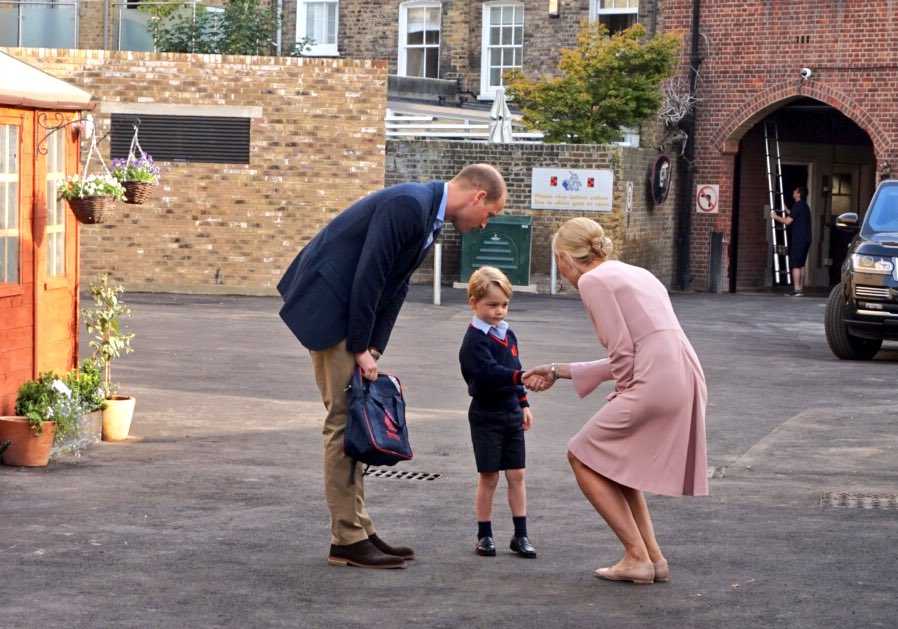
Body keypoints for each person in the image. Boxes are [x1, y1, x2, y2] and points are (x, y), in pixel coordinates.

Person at [277, 164, 507, 569]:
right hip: (331, 309)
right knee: (344, 423)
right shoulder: (408, 205)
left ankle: (359, 529)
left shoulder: (427, 216)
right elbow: (369, 275)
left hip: (347, 316)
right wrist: (360, 345)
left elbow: (394, 287)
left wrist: (374, 348)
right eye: (489, 214)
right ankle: (346, 539)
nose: (485, 224)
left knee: (356, 419)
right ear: (478, 196)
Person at [523, 217, 708, 585]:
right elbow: (646, 347)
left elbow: (621, 351)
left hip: (652, 381)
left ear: (564, 257)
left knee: (580, 454)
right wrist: (560, 370)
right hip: (683, 374)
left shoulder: (593, 281)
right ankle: (653, 558)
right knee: (618, 466)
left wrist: (624, 393)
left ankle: (638, 557)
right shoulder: (634, 273)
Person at [458, 266, 537, 559]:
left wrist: (524, 402)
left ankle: (520, 534)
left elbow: (515, 367)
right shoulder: (474, 341)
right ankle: (485, 535)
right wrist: (520, 378)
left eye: (504, 305)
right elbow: (489, 373)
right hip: (486, 414)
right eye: (492, 305)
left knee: (517, 474)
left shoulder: (507, 334)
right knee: (489, 476)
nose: (499, 311)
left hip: (511, 412)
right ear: (474, 303)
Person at [770, 186, 812, 296]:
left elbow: (787, 221)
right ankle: (800, 289)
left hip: (799, 239)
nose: (793, 192)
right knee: (801, 264)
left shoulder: (798, 206)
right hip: (806, 239)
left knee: (795, 265)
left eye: (795, 191)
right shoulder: (804, 206)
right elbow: (793, 214)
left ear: (798, 194)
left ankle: (797, 290)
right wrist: (786, 208)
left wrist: (775, 217)